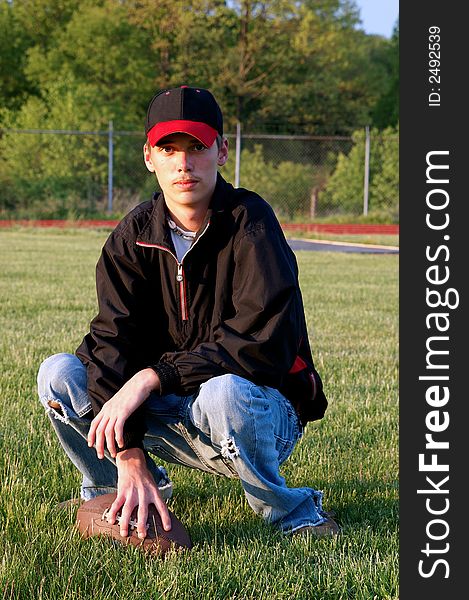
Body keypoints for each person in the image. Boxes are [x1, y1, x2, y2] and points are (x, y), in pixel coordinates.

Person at [37, 85, 338, 541]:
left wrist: (151, 377)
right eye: (168, 148)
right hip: (172, 411)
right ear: (148, 156)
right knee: (58, 374)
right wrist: (131, 452)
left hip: (254, 411)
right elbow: (110, 343)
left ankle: (292, 512)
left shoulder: (252, 223)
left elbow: (262, 347)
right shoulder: (132, 236)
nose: (183, 162)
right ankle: (114, 486)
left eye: (196, 146)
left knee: (225, 393)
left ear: (221, 151)